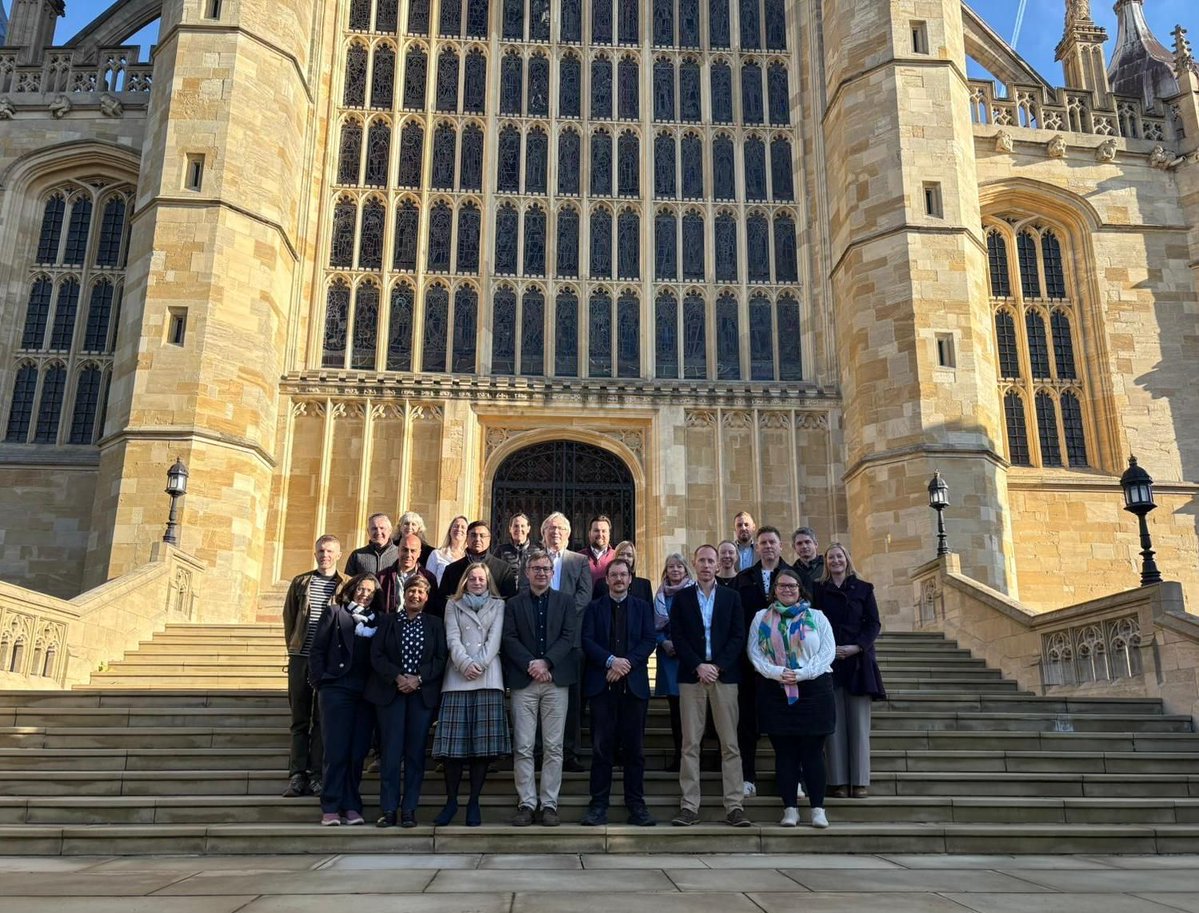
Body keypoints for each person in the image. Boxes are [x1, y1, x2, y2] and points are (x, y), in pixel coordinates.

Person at [748, 565, 836, 829]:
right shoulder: (761, 617)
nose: (787, 590)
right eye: (781, 586)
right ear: (774, 590)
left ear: (800, 590)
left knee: (812, 752)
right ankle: (790, 808)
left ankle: (818, 808)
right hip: (776, 690)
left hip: (814, 690)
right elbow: (755, 652)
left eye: (792, 586)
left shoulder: (816, 617)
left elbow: (827, 652)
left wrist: (802, 674)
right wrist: (778, 672)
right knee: (784, 753)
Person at [670, 544, 750, 827]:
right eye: (701, 560)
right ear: (695, 563)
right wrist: (698, 665)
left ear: (718, 565)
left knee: (730, 744)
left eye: (711, 561)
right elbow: (677, 636)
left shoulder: (731, 597)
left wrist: (717, 666)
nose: (706, 565)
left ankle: (734, 806)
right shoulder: (682, 599)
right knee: (690, 744)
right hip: (692, 677)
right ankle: (689, 806)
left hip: (724, 677)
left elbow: (738, 636)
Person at [502, 548, 580, 827]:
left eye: (546, 569)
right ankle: (526, 803)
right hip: (524, 682)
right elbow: (509, 638)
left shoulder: (565, 602)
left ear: (552, 572)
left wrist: (546, 662)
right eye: (536, 568)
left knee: (553, 747)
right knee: (523, 746)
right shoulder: (513, 603)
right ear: (527, 572)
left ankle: (548, 804)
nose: (542, 573)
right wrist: (531, 664)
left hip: (555, 681)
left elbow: (569, 636)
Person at [580, 558, 657, 827]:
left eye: (623, 575)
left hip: (634, 687)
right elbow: (587, 640)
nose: (619, 579)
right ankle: (598, 804)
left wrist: (626, 664)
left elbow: (649, 640)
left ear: (630, 579)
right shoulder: (594, 608)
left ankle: (636, 804)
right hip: (603, 686)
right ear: (607, 579)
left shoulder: (643, 608)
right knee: (602, 748)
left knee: (634, 750)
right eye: (614, 575)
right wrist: (611, 661)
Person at [433, 563, 511, 826]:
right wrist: (465, 663)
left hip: (488, 678)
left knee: (481, 748)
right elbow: (452, 638)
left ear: (488, 582)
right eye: (473, 578)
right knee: (453, 750)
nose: (477, 582)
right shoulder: (452, 605)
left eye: (482, 578)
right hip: (457, 678)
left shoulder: (499, 605)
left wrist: (479, 663)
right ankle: (451, 800)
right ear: (464, 581)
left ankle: (474, 801)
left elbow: (494, 640)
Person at [365, 575, 447, 827]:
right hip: (391, 695)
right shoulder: (388, 622)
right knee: (390, 754)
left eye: (421, 592)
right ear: (404, 593)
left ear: (427, 597)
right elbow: (376, 655)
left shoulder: (434, 624)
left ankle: (409, 808)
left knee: (414, 755)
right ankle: (388, 809)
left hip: (420, 696)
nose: (415, 595)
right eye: (411, 590)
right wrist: (397, 677)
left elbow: (441, 658)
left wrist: (418, 679)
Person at [811, 542, 885, 799]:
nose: (835, 561)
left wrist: (857, 647)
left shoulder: (864, 589)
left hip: (858, 662)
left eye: (839, 556)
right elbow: (814, 623)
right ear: (826, 562)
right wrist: (829, 650)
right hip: (829, 662)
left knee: (858, 723)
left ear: (847, 559)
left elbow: (873, 623)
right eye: (831, 558)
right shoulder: (819, 590)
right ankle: (838, 781)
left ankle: (860, 780)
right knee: (834, 725)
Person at [308, 572, 380, 826]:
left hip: (366, 692)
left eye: (370, 591)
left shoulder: (377, 620)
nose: (365, 594)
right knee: (336, 749)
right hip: (337, 688)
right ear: (352, 588)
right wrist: (321, 681)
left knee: (357, 751)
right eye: (361, 588)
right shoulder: (335, 613)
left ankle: (351, 804)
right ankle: (330, 805)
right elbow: (317, 649)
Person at [280, 535, 343, 799]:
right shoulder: (301, 582)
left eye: (329, 551)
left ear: (338, 554)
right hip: (301, 657)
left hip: (328, 661)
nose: (324, 555)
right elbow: (289, 618)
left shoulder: (345, 585)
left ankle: (317, 774)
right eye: (320, 550)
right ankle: (297, 774)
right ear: (315, 553)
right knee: (300, 719)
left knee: (322, 720)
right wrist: (295, 650)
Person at [733, 525, 791, 798]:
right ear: (756, 548)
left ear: (780, 546)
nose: (767, 546)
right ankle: (747, 776)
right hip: (749, 661)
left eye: (772, 542)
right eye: (763, 543)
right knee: (747, 721)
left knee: (784, 720)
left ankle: (790, 777)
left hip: (785, 662)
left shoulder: (794, 576)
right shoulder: (744, 577)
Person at [541, 511, 596, 772]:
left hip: (572, 641)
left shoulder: (579, 561)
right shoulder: (534, 560)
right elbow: (523, 591)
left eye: (561, 529)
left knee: (573, 700)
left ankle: (570, 752)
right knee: (541, 697)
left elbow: (585, 595)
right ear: (543, 534)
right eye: (551, 529)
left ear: (569, 534)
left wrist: (560, 618)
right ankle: (541, 750)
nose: (556, 533)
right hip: (540, 642)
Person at [652, 552, 693, 772]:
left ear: (686, 570)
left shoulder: (694, 592)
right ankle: (679, 756)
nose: (675, 570)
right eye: (670, 567)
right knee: (675, 712)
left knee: (692, 714)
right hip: (668, 659)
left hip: (689, 660)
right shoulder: (660, 595)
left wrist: (683, 644)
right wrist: (664, 642)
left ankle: (692, 758)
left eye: (679, 566)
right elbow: (653, 627)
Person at [439, 520, 517, 600]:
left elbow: (509, 601)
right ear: (467, 538)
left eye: (482, 536)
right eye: (473, 535)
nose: (477, 539)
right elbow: (443, 601)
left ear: (489, 539)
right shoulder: (452, 570)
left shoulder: (503, 569)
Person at [376, 533, 441, 617]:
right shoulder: (382, 577)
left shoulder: (429, 578)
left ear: (419, 553)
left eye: (413, 551)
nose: (408, 555)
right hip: (389, 627)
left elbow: (432, 609)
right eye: (405, 550)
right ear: (398, 550)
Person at [495, 512, 536, 593]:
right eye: (516, 526)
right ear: (510, 529)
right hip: (507, 597)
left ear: (528, 529)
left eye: (522, 526)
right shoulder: (501, 550)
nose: (519, 529)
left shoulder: (537, 551)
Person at [426, 515, 467, 585]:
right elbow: (427, 582)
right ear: (450, 531)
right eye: (456, 526)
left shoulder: (469, 557)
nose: (459, 529)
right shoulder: (436, 554)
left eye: (463, 527)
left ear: (467, 534)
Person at [580, 514, 615, 587]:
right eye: (596, 530)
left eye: (604, 531)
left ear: (609, 534)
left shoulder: (616, 557)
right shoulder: (578, 558)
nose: (600, 534)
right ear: (589, 534)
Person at [792, 527, 825, 599]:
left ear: (816, 544)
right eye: (799, 543)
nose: (804, 546)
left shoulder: (828, 567)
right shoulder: (791, 572)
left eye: (807, 542)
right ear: (794, 547)